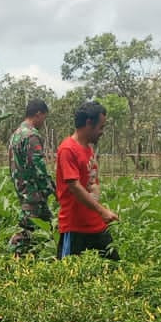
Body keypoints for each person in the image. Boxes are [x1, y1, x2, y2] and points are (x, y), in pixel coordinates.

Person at [56, 101, 119, 260]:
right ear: (89, 123)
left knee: (116, 269)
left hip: (95, 223)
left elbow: (89, 182)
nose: (102, 132)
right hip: (74, 226)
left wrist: (96, 191)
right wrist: (102, 211)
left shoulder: (88, 149)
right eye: (101, 127)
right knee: (67, 276)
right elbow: (74, 187)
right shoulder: (68, 149)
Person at [7, 99, 56, 257]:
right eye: (44, 118)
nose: (43, 122)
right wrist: (52, 189)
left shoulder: (16, 135)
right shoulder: (32, 136)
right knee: (28, 228)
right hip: (33, 190)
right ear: (38, 114)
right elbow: (38, 167)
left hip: (22, 187)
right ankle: (10, 256)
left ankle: (41, 258)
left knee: (48, 223)